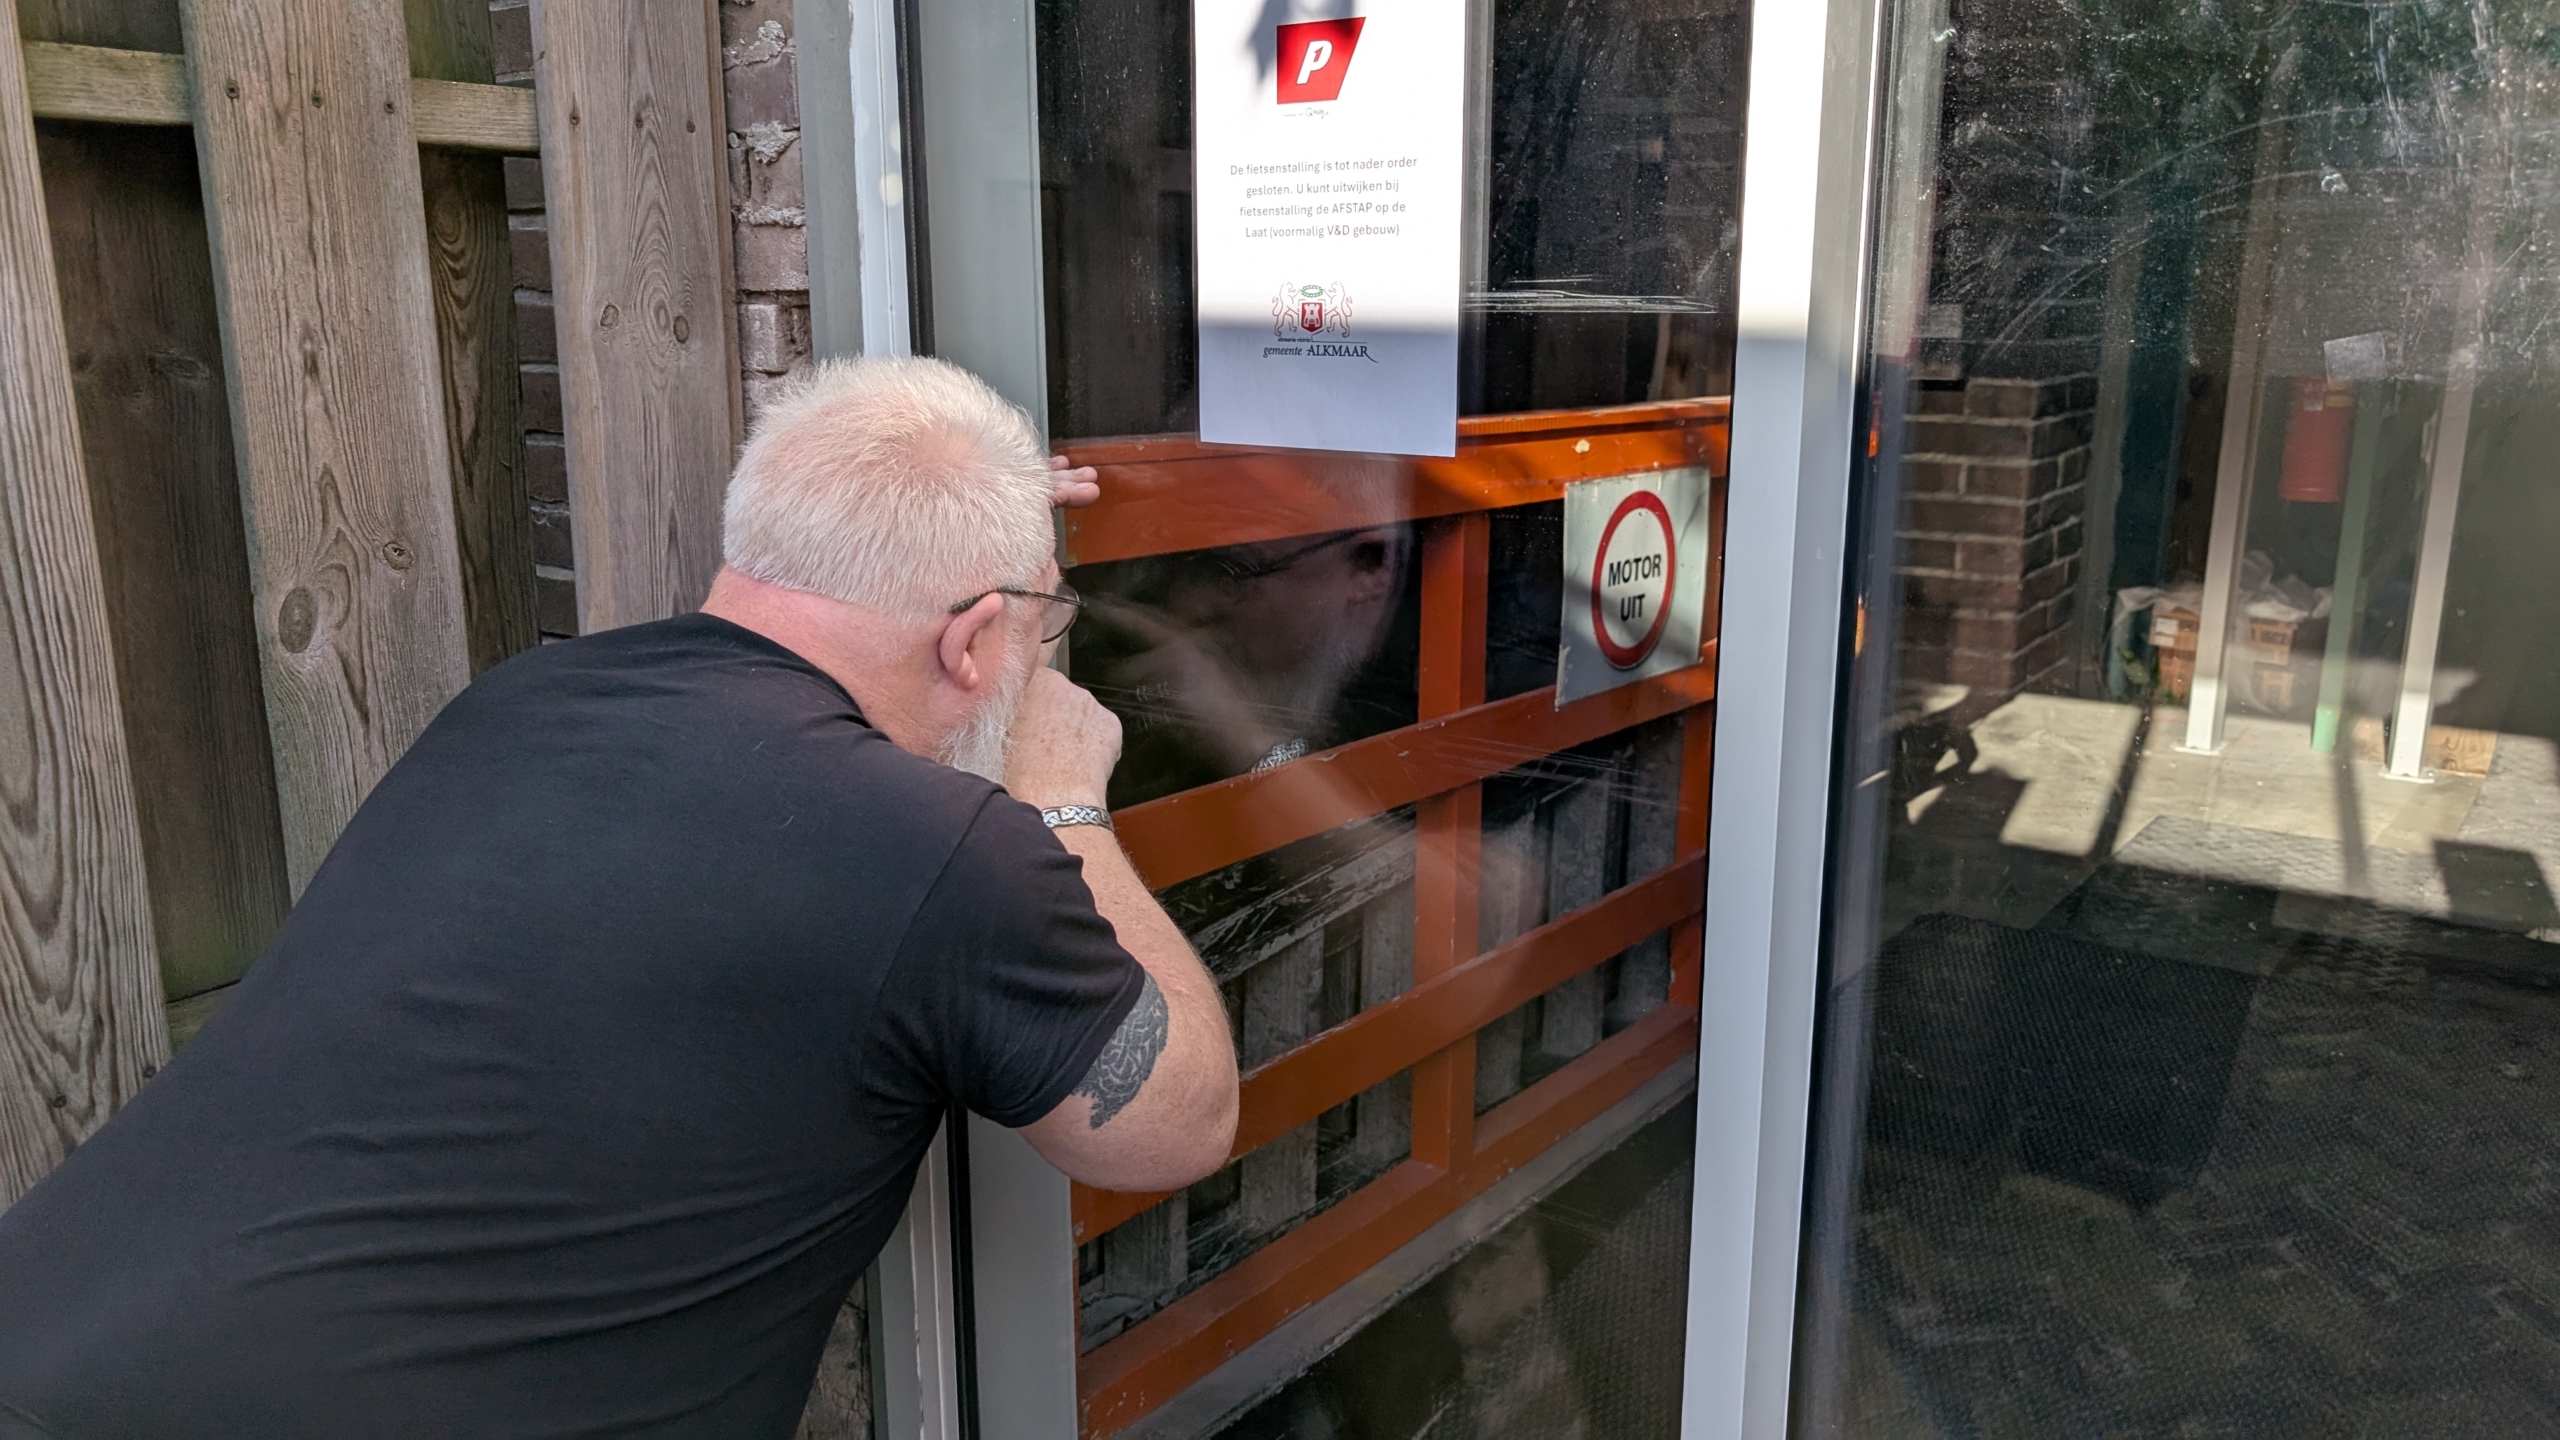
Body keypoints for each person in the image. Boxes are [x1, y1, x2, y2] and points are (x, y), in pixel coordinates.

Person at [0, 356, 1240, 1438]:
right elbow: (1170, 1129)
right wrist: (1062, 802)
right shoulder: (944, 843)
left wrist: (994, 517)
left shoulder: (521, 706)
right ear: (972, 643)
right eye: (1038, 628)